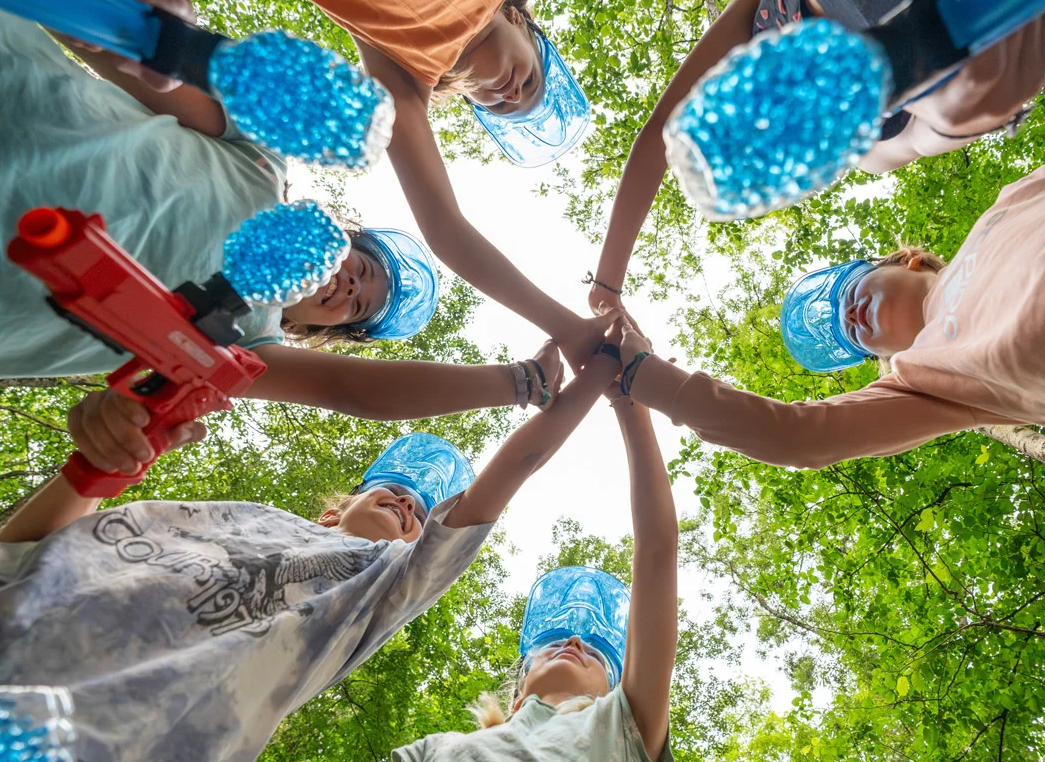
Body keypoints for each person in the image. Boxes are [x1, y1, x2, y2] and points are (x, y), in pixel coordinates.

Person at [0, 338, 624, 761]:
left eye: (418, 513)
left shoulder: (381, 586)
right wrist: (93, 471)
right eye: (392, 491)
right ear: (333, 509)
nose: (408, 505)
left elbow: (516, 466)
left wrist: (599, 369)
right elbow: (26, 557)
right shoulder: (243, 517)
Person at [0, 9, 570, 457]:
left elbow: (352, 391)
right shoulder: (258, 158)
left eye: (356, 307)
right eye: (361, 271)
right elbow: (128, 51)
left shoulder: (244, 343)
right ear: (339, 232)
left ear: (322, 331)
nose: (350, 288)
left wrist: (519, 383)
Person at [614, 133, 1045, 471]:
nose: (849, 317)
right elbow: (798, 436)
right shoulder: (924, 379)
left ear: (908, 261)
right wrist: (648, 376)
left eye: (851, 293)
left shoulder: (1007, 205)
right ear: (879, 360)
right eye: (851, 336)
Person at [586, 0, 1045, 314]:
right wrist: (964, 111)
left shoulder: (762, 17)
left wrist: (607, 283)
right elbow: (926, 135)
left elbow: (658, 138)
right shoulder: (871, 143)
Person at [303, 0, 611, 371]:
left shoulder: (404, 76)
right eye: (530, 81)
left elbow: (445, 227)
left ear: (470, 96)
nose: (512, 96)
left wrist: (567, 328)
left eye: (499, 107)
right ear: (520, 22)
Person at [392, 381, 677, 761]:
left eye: (595, 652)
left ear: (613, 692)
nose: (574, 642)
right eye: (551, 643)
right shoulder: (437, 748)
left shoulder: (622, 724)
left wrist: (630, 403)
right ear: (518, 691)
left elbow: (658, 549)